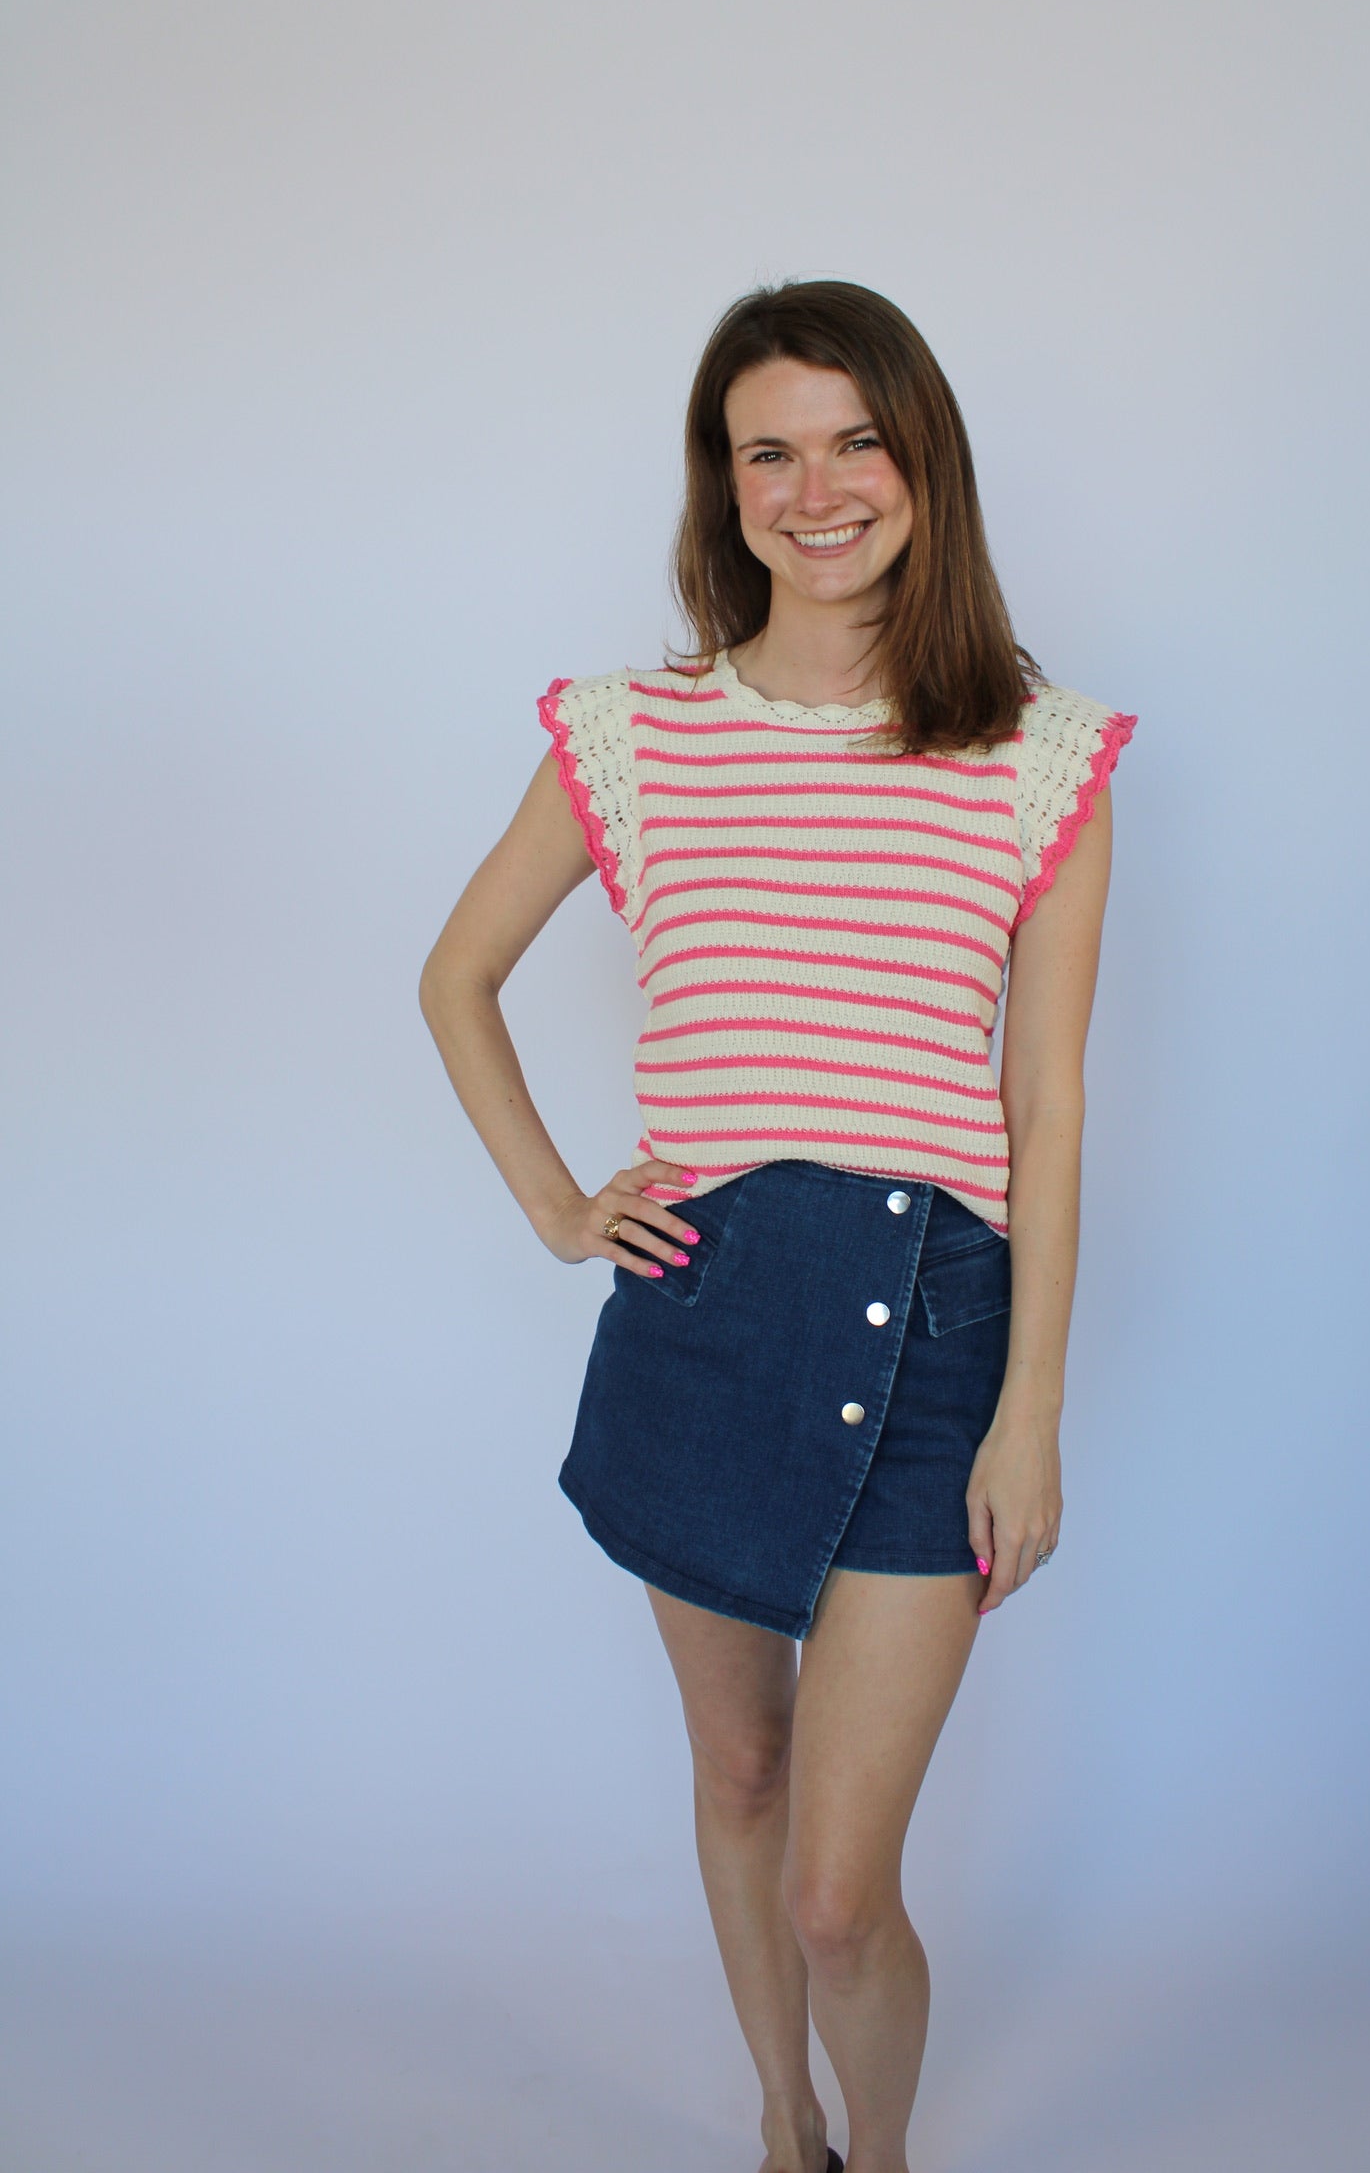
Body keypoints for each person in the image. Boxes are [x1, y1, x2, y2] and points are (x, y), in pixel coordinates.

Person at [419, 279, 1136, 2173]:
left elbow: (1050, 1110)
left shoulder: (1037, 753)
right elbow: (456, 978)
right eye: (769, 452)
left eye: (855, 442)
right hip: (705, 1311)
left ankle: (875, 2157)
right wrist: (564, 1205)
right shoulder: (634, 736)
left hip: (937, 1326)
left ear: (922, 462)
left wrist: (1033, 1413)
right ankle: (781, 2127)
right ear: (722, 484)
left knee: (839, 1888)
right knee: (738, 1769)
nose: (816, 491)